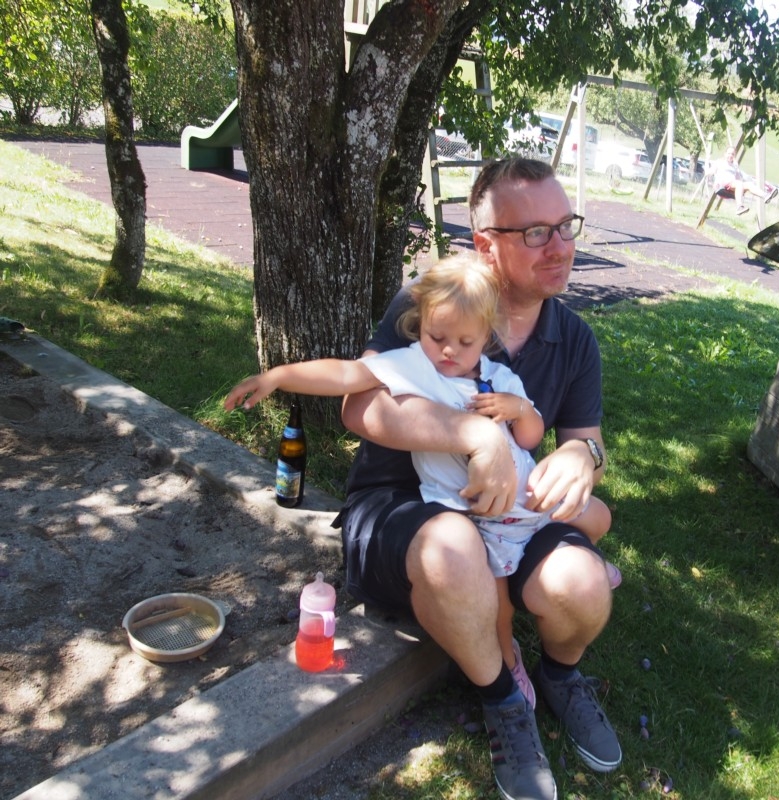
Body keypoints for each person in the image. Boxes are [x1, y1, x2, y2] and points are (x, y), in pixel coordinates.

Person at [334, 158, 622, 800]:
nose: (561, 247)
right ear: (486, 244)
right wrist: (472, 433)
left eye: (566, 226)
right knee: (455, 549)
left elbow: (588, 439)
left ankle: (559, 675)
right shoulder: (434, 302)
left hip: (508, 516)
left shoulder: (573, 338)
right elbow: (358, 406)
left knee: (582, 586)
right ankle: (503, 700)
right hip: (403, 507)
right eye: (537, 232)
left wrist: (583, 457)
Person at [223, 252, 614, 711]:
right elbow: (346, 374)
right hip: (484, 513)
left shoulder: (499, 377)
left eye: (465, 341)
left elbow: (530, 437)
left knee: (599, 516)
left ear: (487, 336)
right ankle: (507, 671)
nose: (448, 351)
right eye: (436, 336)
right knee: (498, 602)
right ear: (420, 323)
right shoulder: (414, 366)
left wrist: (521, 409)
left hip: (526, 495)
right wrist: (278, 376)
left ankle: (581, 577)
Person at [712, 145, 778, 215]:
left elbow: (738, 178)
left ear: (734, 156)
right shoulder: (720, 162)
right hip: (722, 184)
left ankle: (765, 196)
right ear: (725, 154)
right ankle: (739, 206)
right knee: (739, 184)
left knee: (749, 184)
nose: (730, 155)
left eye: (732, 154)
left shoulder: (734, 165)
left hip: (732, 185)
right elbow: (711, 171)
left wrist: (738, 171)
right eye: (729, 153)